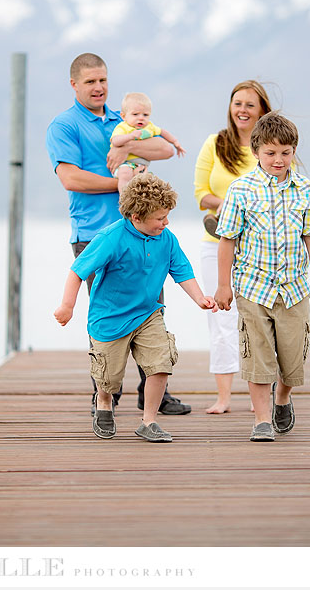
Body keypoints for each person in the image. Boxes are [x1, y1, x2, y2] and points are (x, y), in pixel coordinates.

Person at [46, 52, 192, 415]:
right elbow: (70, 177)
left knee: (150, 308)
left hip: (140, 230)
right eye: (91, 81)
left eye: (103, 80)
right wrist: (120, 184)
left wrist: (124, 145)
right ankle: (105, 397)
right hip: (94, 232)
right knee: (104, 314)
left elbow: (163, 147)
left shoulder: (123, 118)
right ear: (74, 85)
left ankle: (154, 392)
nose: (99, 87)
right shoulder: (64, 125)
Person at [53, 173, 217, 442]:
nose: (166, 223)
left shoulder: (166, 238)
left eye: (167, 216)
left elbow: (182, 271)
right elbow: (77, 271)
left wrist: (199, 298)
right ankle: (104, 402)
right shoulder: (111, 237)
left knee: (161, 362)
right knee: (108, 377)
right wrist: (67, 306)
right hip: (110, 318)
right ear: (136, 217)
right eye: (160, 218)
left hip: (148, 312)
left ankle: (149, 421)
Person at [214, 112, 310, 441]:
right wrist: (224, 286)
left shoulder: (306, 190)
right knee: (258, 354)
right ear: (256, 152)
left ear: (294, 151)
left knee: (293, 357)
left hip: (294, 288)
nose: (278, 160)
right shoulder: (241, 190)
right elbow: (227, 241)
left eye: (285, 152)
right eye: (270, 153)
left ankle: (283, 398)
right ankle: (262, 420)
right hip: (253, 287)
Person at [192, 80, 272, 413]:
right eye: (237, 103)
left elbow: (282, 190)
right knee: (220, 316)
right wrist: (230, 203)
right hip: (217, 242)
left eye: (249, 105)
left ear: (262, 110)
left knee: (258, 319)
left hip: (260, 247)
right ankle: (224, 397)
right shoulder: (215, 143)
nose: (242, 110)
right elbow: (200, 194)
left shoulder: (272, 148)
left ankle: (260, 397)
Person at [110, 92, 185, 193]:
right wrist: (130, 136)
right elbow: (115, 141)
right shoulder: (123, 127)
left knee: (147, 183)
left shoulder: (149, 127)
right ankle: (124, 198)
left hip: (141, 166)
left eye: (145, 115)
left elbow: (162, 132)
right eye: (135, 114)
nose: (141, 118)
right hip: (125, 164)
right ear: (124, 116)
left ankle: (139, 203)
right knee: (125, 174)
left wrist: (175, 142)